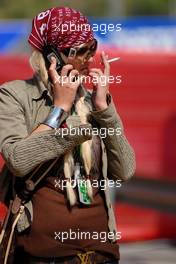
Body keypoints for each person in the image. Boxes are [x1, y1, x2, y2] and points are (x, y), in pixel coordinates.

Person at [0, 7, 135, 264]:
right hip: (44, 254)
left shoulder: (91, 100)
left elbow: (125, 170)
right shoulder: (14, 96)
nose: (89, 58)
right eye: (79, 51)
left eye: (91, 48)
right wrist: (60, 109)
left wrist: (104, 111)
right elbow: (17, 160)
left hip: (101, 253)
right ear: (53, 55)